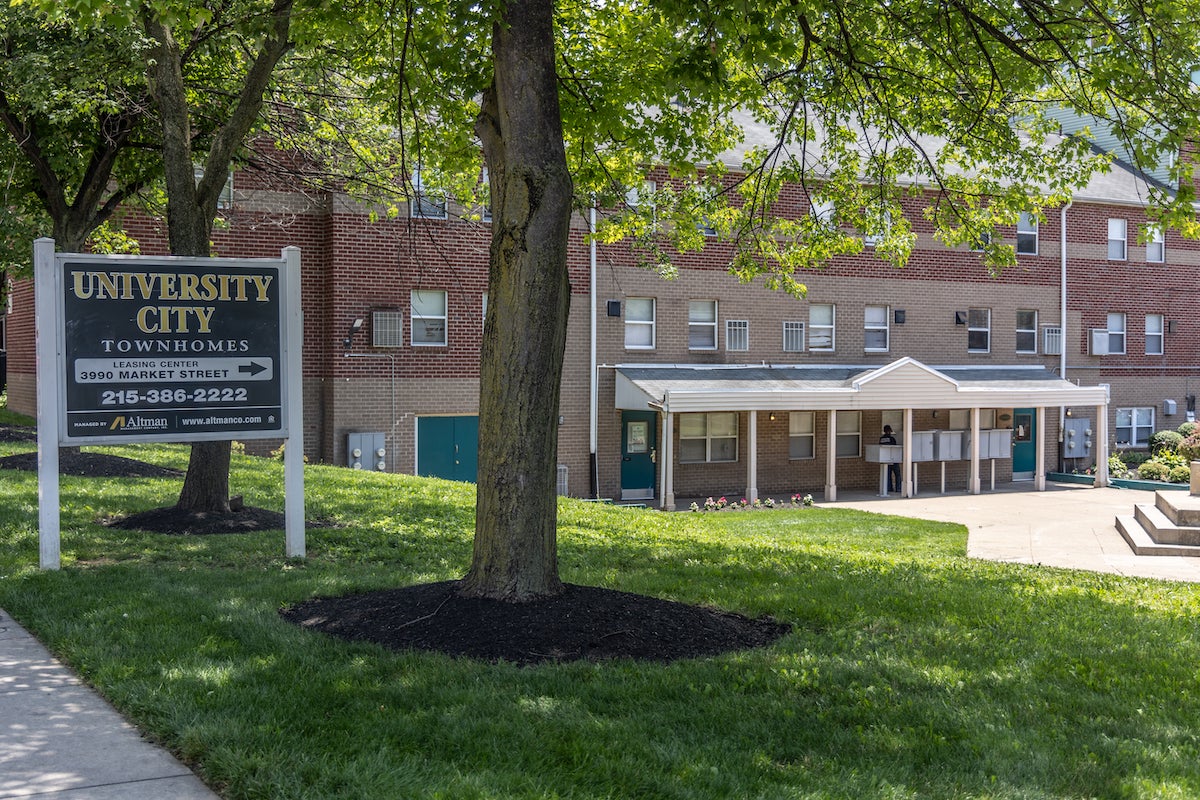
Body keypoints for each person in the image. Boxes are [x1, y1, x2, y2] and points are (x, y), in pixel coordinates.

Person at [880, 424, 900, 493]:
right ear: (889, 431)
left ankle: (889, 488)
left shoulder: (881, 439)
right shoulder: (892, 439)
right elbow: (894, 447)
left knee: (888, 475)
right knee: (897, 474)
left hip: (885, 459)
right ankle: (898, 488)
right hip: (893, 458)